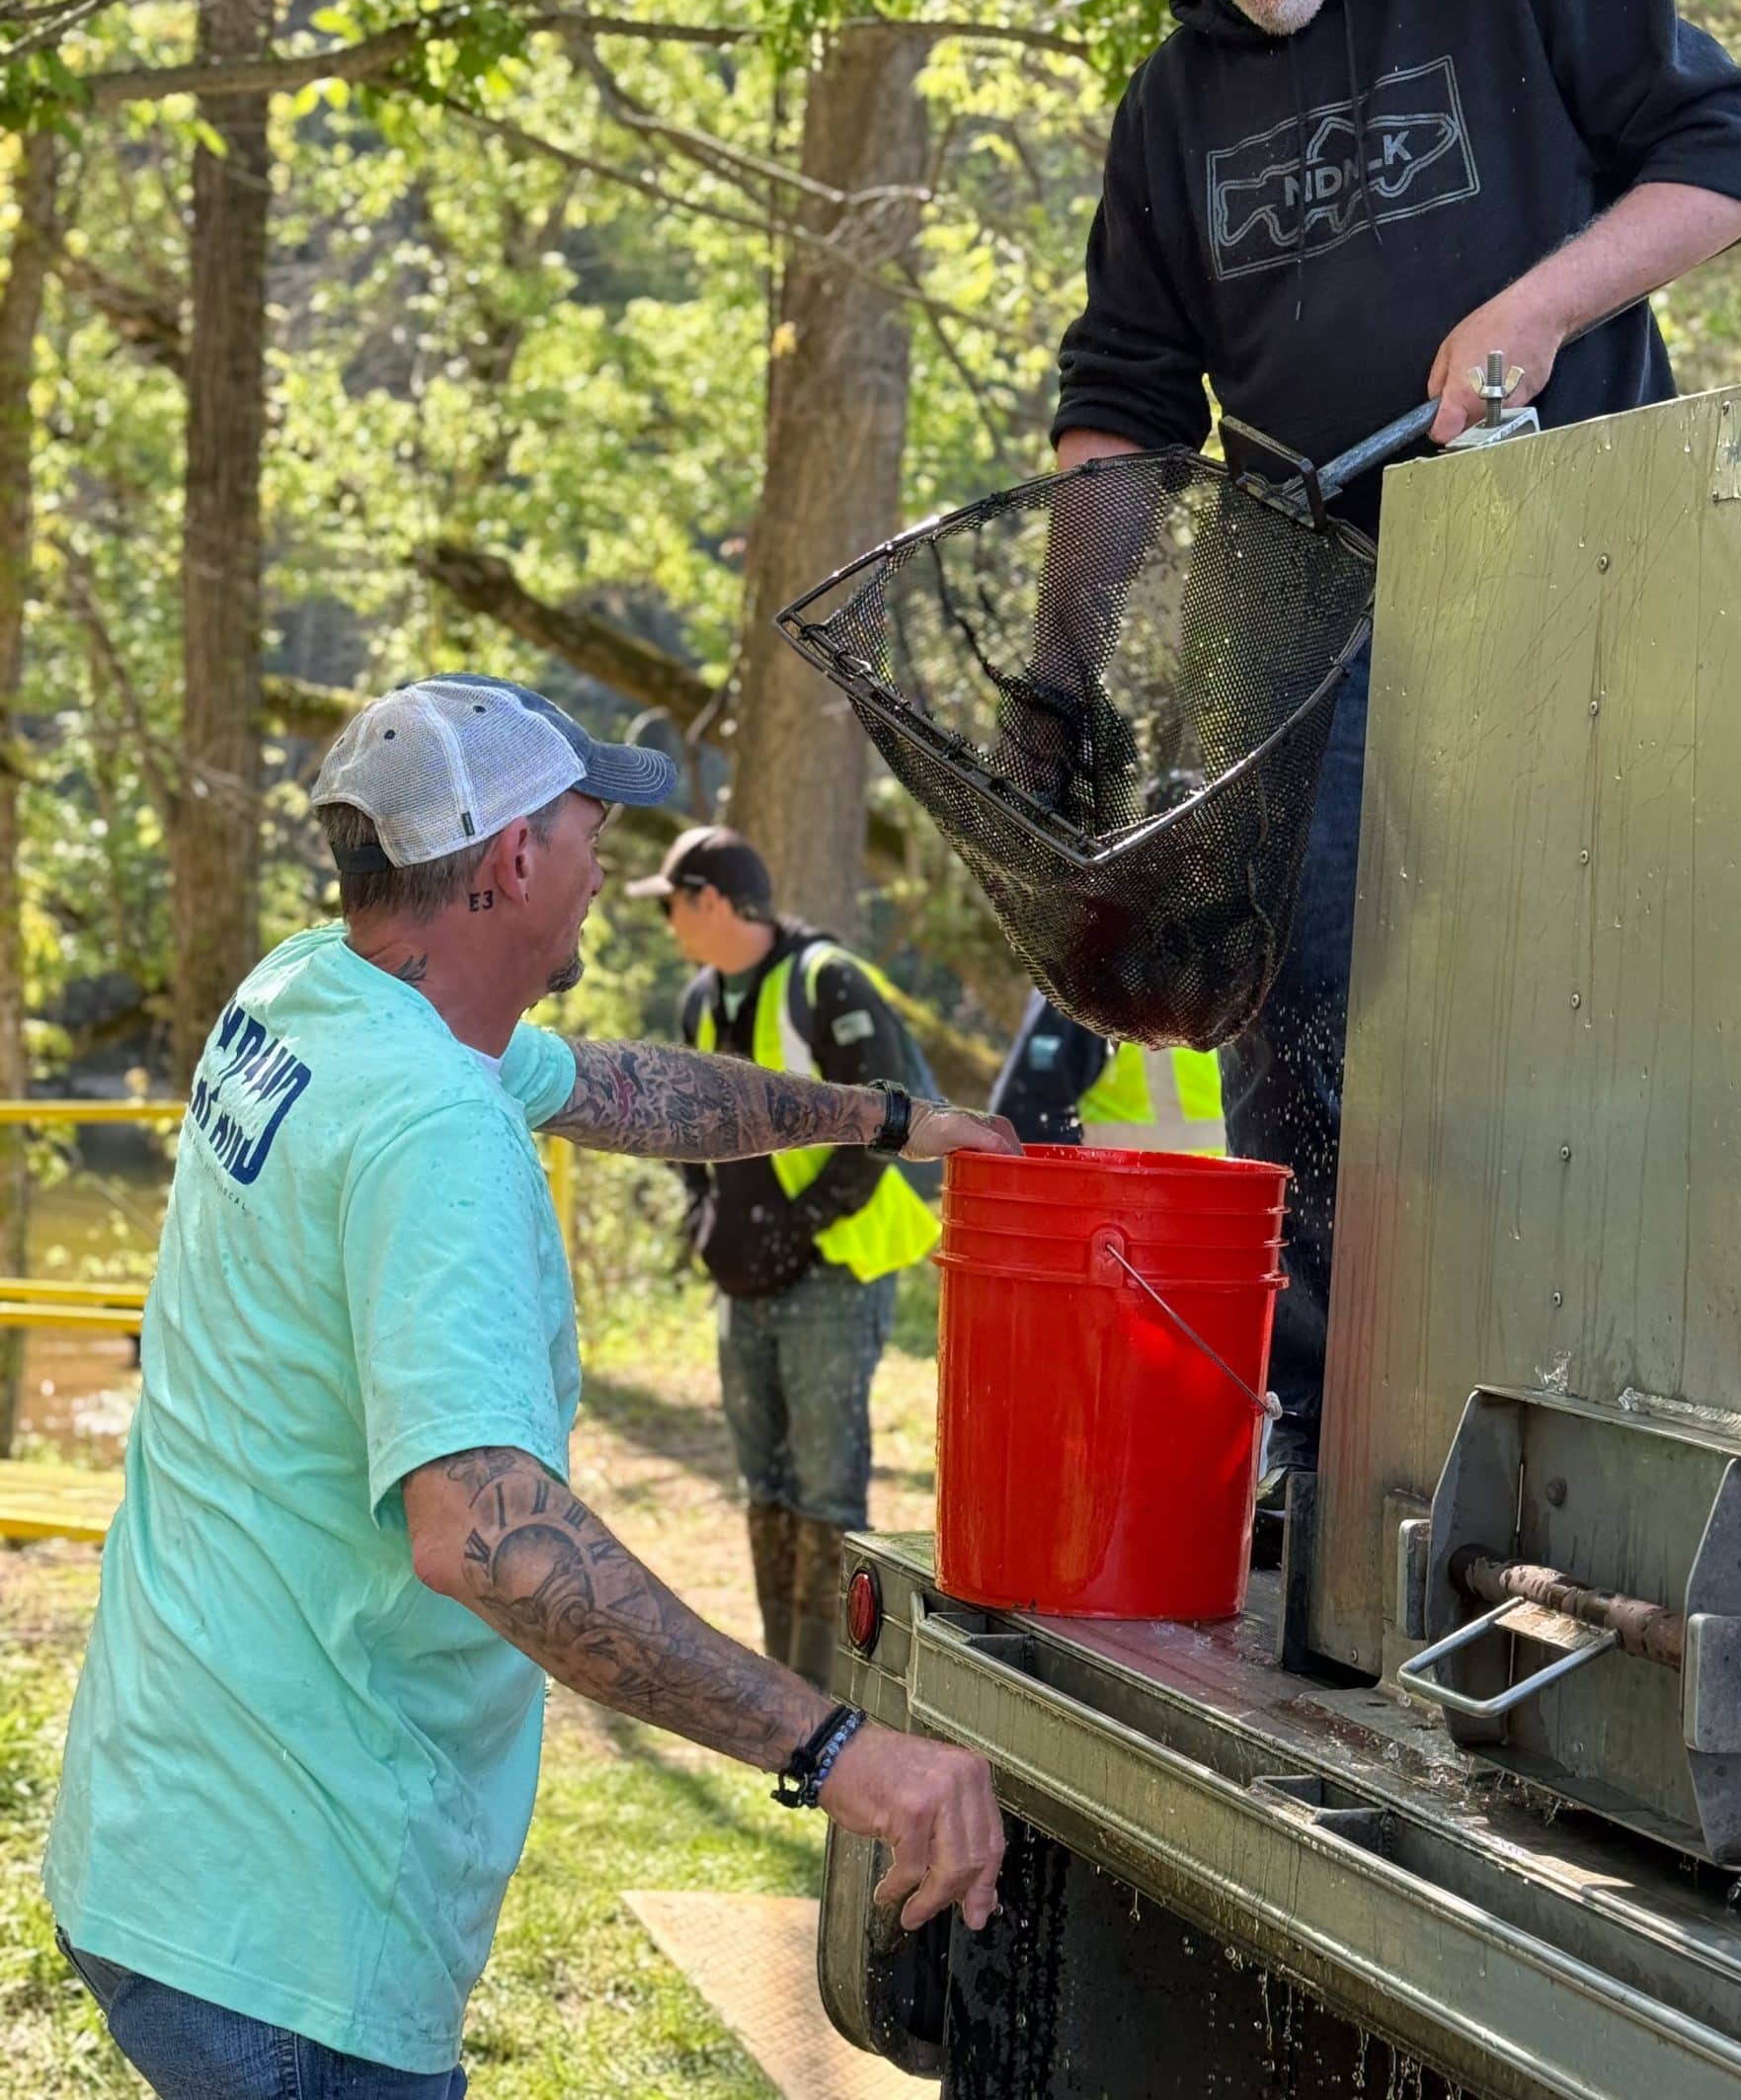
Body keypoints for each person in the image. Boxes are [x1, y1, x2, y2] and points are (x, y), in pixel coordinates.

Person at [43, 674, 1014, 2100]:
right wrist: (836, 1748)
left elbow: (620, 1091)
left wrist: (886, 1117)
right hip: (294, 1924)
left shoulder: (314, 991)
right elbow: (487, 1539)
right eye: (586, 824)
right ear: (512, 860)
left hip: (162, 1841)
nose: (606, 857)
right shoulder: (433, 1126)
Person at [1054, 0, 1741, 1481]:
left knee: (1590, 990)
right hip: (1305, 602)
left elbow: (1739, 149)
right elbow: (1125, 396)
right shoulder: (1175, 103)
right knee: (1304, 1014)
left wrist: (1545, 302)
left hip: (1580, 565)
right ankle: (1328, 1443)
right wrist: (1065, 649)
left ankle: (1625, 1407)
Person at [630, 825, 941, 1691]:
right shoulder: (700, 998)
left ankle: (835, 1693)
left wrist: (796, 1230)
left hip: (832, 1276)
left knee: (826, 1495)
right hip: (746, 1285)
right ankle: (788, 1687)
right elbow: (685, 1127)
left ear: (713, 902)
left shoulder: (824, 981)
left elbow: (888, 1121)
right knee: (765, 1485)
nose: (667, 926)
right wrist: (705, 1220)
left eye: (671, 907)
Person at [991, 988, 1226, 1157]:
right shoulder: (1084, 984)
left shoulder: (1080, 985)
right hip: (1114, 1211)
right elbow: (1025, 1122)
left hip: (1209, 1212)